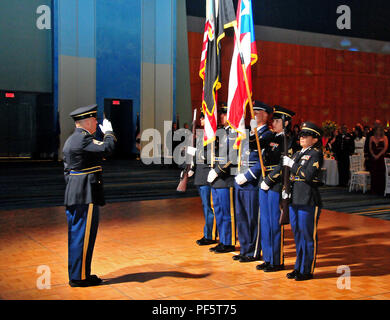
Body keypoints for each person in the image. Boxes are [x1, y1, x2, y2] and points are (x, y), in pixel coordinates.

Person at [63, 104, 116, 287]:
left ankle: (81, 273)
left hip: (76, 192)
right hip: (86, 193)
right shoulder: (83, 139)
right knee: (83, 236)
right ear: (86, 122)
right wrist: (109, 133)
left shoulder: (72, 139)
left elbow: (67, 170)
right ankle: (79, 278)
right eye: (94, 119)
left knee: (77, 235)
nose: (96, 122)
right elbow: (108, 148)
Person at [282, 121, 323, 281]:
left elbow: (308, 175)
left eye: (307, 136)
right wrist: (286, 190)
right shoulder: (297, 153)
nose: (302, 138)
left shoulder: (315, 154)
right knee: (297, 234)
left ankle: (307, 270)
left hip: (308, 199)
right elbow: (290, 177)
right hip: (294, 198)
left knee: (307, 236)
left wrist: (293, 165)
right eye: (301, 135)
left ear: (314, 139)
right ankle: (298, 267)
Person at [256, 105, 295, 272]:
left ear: (286, 123)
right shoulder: (271, 136)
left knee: (273, 222)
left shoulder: (289, 139)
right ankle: (268, 258)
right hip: (264, 182)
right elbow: (254, 144)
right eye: (274, 120)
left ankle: (277, 260)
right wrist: (252, 128)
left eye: (277, 121)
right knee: (265, 222)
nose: (274, 123)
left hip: (276, 184)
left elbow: (283, 165)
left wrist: (270, 180)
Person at [234, 101, 273, 262]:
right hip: (240, 179)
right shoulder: (250, 133)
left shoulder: (267, 135)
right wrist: (237, 173)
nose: (254, 114)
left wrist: (247, 175)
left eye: (257, 112)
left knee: (252, 217)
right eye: (253, 112)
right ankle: (244, 248)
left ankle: (253, 251)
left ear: (265, 115)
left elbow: (263, 160)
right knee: (241, 216)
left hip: (252, 181)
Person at [207, 104, 237, 254]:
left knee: (227, 213)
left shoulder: (235, 133)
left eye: (225, 114)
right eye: (221, 114)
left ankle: (229, 242)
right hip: (217, 179)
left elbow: (233, 157)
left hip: (226, 178)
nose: (221, 116)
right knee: (218, 211)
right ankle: (223, 240)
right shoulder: (220, 132)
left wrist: (217, 171)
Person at [186, 111, 218, 246]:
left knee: (209, 207)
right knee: (205, 206)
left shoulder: (214, 135)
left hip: (207, 176)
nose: (202, 120)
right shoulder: (199, 135)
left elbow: (212, 155)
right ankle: (209, 233)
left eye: (204, 118)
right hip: (199, 175)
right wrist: (191, 167)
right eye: (202, 118)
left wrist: (198, 154)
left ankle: (210, 235)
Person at [369, 125, 388, 195]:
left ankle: (380, 189)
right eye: (377, 130)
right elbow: (370, 147)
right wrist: (373, 155)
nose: (378, 131)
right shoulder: (372, 137)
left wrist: (378, 155)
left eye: (380, 130)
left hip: (381, 158)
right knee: (374, 173)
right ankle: (374, 190)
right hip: (373, 158)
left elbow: (385, 148)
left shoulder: (385, 138)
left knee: (380, 174)